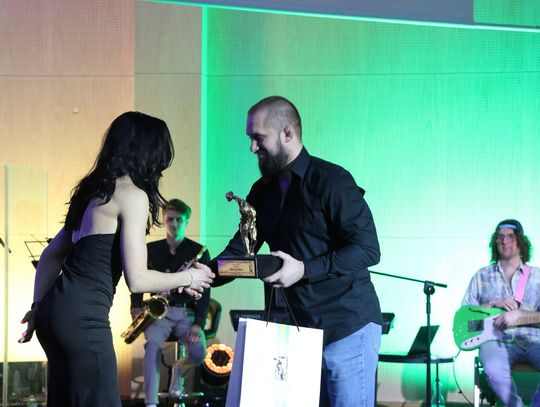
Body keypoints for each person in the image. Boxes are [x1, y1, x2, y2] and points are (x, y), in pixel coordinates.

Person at [18, 112, 214, 407]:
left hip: (53, 314)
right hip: (84, 320)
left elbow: (51, 255)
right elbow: (138, 278)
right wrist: (190, 277)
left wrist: (37, 308)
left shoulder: (92, 193)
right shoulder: (133, 195)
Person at [216, 96, 382, 407]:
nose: (252, 147)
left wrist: (304, 269)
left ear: (288, 133)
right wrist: (202, 274)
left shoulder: (333, 181)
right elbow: (241, 250)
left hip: (346, 326)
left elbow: (368, 249)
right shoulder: (261, 191)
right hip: (297, 335)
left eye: (258, 138)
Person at [130, 198, 210, 407]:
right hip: (159, 313)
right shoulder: (150, 249)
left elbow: (206, 292)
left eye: (179, 220)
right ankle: (151, 403)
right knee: (152, 347)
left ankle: (179, 370)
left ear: (186, 221)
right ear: (164, 221)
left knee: (198, 352)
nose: (174, 224)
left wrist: (198, 324)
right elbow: (137, 277)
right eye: (170, 219)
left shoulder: (198, 251)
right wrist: (136, 305)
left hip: (186, 313)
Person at [462, 219, 540, 407]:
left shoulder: (537, 277)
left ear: (520, 241)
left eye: (510, 236)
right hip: (496, 341)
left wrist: (519, 316)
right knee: (493, 368)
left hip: (535, 340)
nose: (504, 241)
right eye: (500, 237)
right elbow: (465, 320)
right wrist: (492, 304)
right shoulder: (481, 276)